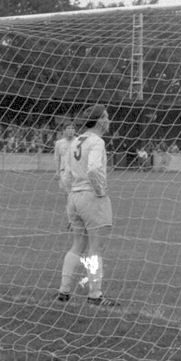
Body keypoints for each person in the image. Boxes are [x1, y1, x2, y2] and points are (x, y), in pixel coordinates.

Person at [57, 104, 116, 306]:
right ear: (99, 120)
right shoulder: (96, 141)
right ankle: (94, 295)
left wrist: (70, 195)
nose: (109, 120)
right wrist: (100, 191)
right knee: (95, 247)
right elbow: (93, 169)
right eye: (106, 117)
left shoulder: (74, 142)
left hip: (73, 196)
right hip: (90, 196)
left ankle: (64, 291)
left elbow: (65, 175)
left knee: (77, 244)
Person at [53, 122, 76, 228]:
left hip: (77, 173)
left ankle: (76, 220)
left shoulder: (78, 142)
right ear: (64, 130)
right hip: (64, 173)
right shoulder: (59, 143)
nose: (71, 130)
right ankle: (71, 220)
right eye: (68, 128)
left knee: (77, 197)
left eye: (72, 128)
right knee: (68, 197)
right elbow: (57, 158)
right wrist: (57, 172)